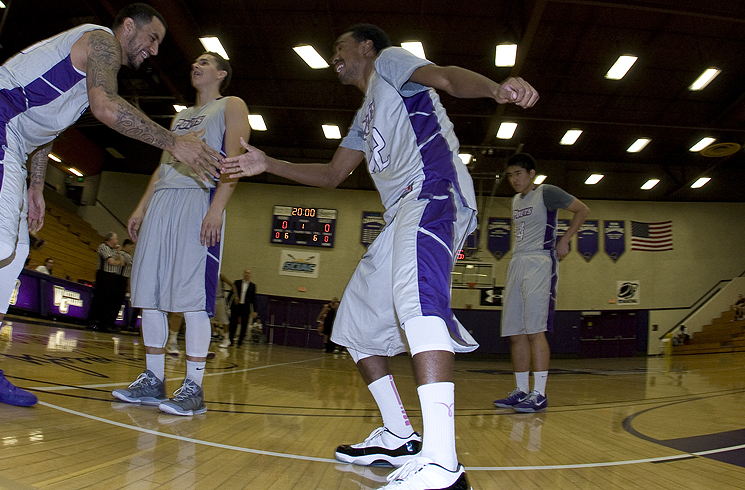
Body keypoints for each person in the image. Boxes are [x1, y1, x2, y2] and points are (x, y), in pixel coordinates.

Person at [0, 3, 222, 414]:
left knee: (14, 252)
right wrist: (174, 143)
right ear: (127, 26)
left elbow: (45, 125)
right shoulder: (102, 42)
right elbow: (106, 109)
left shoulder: (90, 63)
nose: (154, 50)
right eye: (152, 38)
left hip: (13, 139)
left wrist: (35, 186)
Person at [222, 23, 537, 489]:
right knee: (354, 325)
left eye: (340, 46)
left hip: (432, 194)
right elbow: (332, 175)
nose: (335, 56)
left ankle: (442, 462)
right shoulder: (363, 116)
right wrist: (268, 164)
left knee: (418, 301)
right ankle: (397, 434)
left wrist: (496, 89)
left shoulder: (390, 64)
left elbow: (447, 78)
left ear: (367, 47)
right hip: (399, 216)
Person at [113, 51, 249, 416]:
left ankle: (194, 388)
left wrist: (216, 210)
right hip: (163, 203)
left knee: (192, 298)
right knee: (150, 293)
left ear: (221, 73)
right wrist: (142, 207)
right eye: (196, 60)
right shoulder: (181, 116)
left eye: (206, 61)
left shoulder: (231, 105)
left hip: (198, 200)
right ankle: (153, 381)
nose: (197, 64)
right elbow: (162, 167)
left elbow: (234, 159)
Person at [493, 153, 588, 414]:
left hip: (540, 261)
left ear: (532, 173)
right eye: (510, 175)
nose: (514, 179)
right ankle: (522, 390)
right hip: (517, 261)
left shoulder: (547, 192)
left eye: (519, 174)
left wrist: (565, 240)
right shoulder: (514, 201)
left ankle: (540, 393)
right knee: (515, 332)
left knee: (535, 330)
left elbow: (582, 210)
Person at [93, 232, 125, 331]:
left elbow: (122, 263)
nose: (117, 241)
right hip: (104, 275)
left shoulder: (114, 250)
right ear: (110, 240)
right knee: (100, 299)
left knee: (109, 301)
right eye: (115, 239)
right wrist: (117, 262)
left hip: (112, 276)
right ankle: (94, 321)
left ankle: (104, 323)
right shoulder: (103, 247)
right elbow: (111, 262)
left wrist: (119, 252)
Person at [226, 269, 256, 347]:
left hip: (245, 308)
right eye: (246, 273)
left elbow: (253, 299)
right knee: (233, 324)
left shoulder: (253, 286)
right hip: (236, 306)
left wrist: (255, 310)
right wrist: (227, 305)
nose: (247, 274)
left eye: (249, 273)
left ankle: (240, 342)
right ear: (243, 274)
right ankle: (231, 341)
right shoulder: (237, 283)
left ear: (250, 275)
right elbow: (230, 294)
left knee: (244, 325)